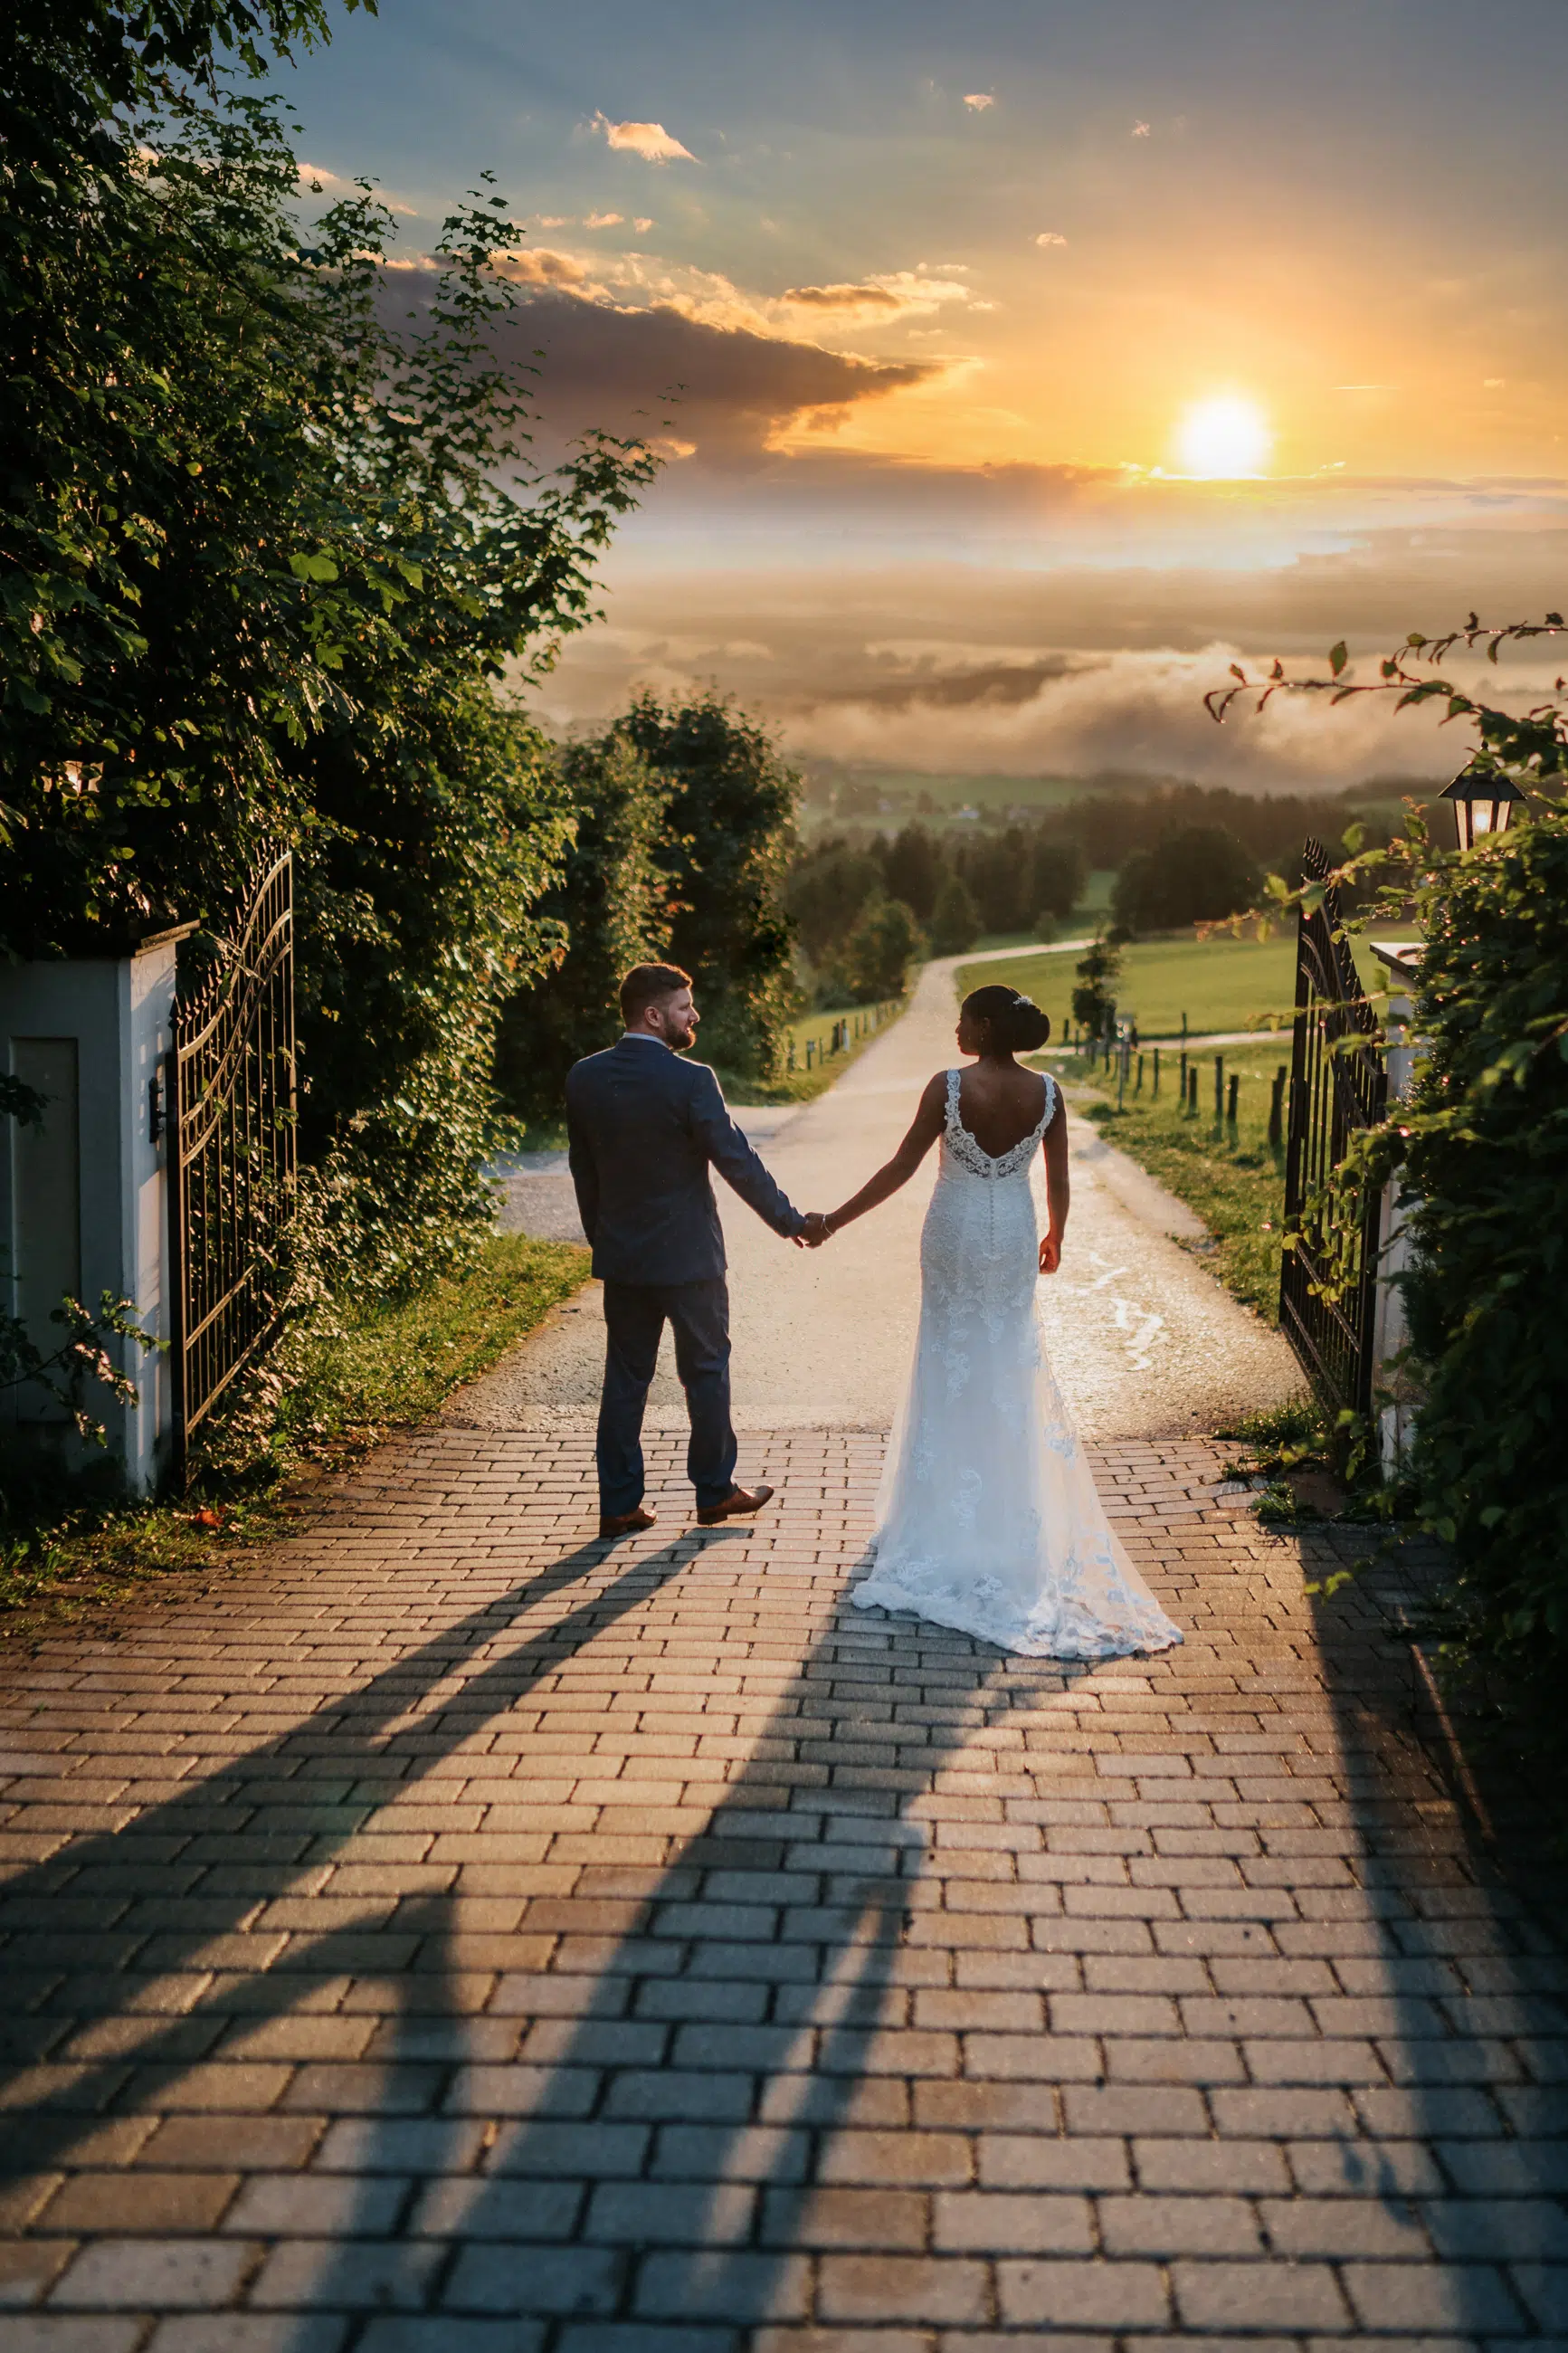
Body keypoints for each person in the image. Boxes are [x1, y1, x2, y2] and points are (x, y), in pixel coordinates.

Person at [818, 983, 1183, 1658]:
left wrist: (833, 1221)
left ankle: (939, 1518)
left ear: (982, 1026)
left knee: (947, 1356)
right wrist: (1057, 1235)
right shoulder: (1046, 1092)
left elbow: (902, 1166)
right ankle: (1004, 1512)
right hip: (1012, 1229)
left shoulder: (948, 1086)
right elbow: (1058, 1177)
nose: (954, 1026)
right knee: (1008, 1359)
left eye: (962, 1017)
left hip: (954, 1229)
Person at [566, 963, 831, 1540]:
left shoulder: (584, 1078)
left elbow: (583, 1173)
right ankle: (714, 1494)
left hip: (625, 1262)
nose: (694, 1016)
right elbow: (737, 1161)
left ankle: (619, 1507)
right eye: (684, 1007)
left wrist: (603, 1238)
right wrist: (792, 1223)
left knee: (625, 1379)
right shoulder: (692, 1080)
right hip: (690, 1262)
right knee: (706, 1372)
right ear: (653, 1015)